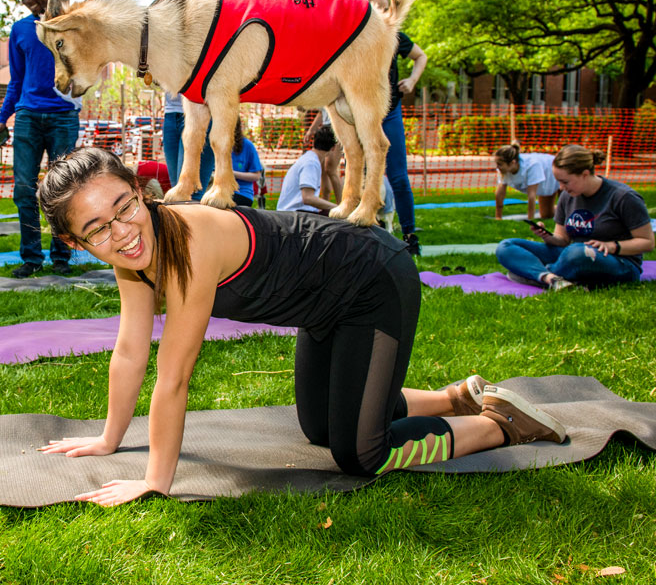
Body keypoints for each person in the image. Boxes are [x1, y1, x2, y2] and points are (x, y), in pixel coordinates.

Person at [35, 147, 567, 506]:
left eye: (125, 208)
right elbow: (130, 354)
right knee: (319, 428)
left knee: (362, 454)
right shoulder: (132, 257)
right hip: (322, 307)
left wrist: (155, 480)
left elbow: (172, 378)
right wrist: (109, 439)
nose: (122, 232)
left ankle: (501, 423)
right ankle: (456, 398)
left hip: (370, 279)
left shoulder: (187, 243)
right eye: (98, 230)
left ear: (138, 188)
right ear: (77, 244)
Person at [0, 0, 82, 277]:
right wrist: (3, 119)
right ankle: (31, 257)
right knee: (23, 188)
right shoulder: (20, 30)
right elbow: (16, 80)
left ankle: (61, 256)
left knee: (63, 188)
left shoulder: (73, 23)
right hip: (29, 116)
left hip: (63, 116)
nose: (29, 0)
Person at [495, 144, 654, 291]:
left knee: (577, 252)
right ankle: (551, 278)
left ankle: (533, 275)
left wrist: (612, 246)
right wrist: (548, 237)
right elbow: (562, 239)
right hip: (571, 254)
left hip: (616, 261)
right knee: (506, 246)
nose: (561, 188)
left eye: (565, 182)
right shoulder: (567, 196)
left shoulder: (624, 197)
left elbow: (647, 243)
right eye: (558, 182)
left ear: (585, 174)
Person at [365, 0, 426, 256]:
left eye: (384, 8)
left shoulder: (396, 35)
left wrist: (412, 80)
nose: (380, 13)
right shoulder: (355, 36)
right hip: (361, 112)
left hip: (389, 111)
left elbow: (420, 56)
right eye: (373, 8)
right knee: (364, 173)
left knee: (398, 175)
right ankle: (367, 231)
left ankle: (410, 235)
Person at [154, 0, 219, 198]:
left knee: (188, 196)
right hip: (172, 115)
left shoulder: (212, 24)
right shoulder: (169, 27)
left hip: (203, 115)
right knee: (177, 195)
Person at [276, 126, 339, 214]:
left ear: (314, 142)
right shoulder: (311, 163)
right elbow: (307, 198)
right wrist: (338, 208)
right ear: (333, 148)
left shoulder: (311, 159)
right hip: (294, 215)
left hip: (293, 213)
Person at [492, 144, 558, 220]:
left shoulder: (532, 165)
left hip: (554, 170)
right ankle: (559, 209)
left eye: (499, 164)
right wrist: (498, 217)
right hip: (546, 182)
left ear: (512, 163)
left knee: (568, 211)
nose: (497, 167)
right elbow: (500, 193)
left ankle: (563, 209)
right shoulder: (503, 170)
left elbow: (531, 195)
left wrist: (530, 219)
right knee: (546, 214)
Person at [229, 120, 264, 208]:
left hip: (241, 193)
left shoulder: (247, 145)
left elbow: (256, 176)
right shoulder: (213, 144)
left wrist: (230, 173)